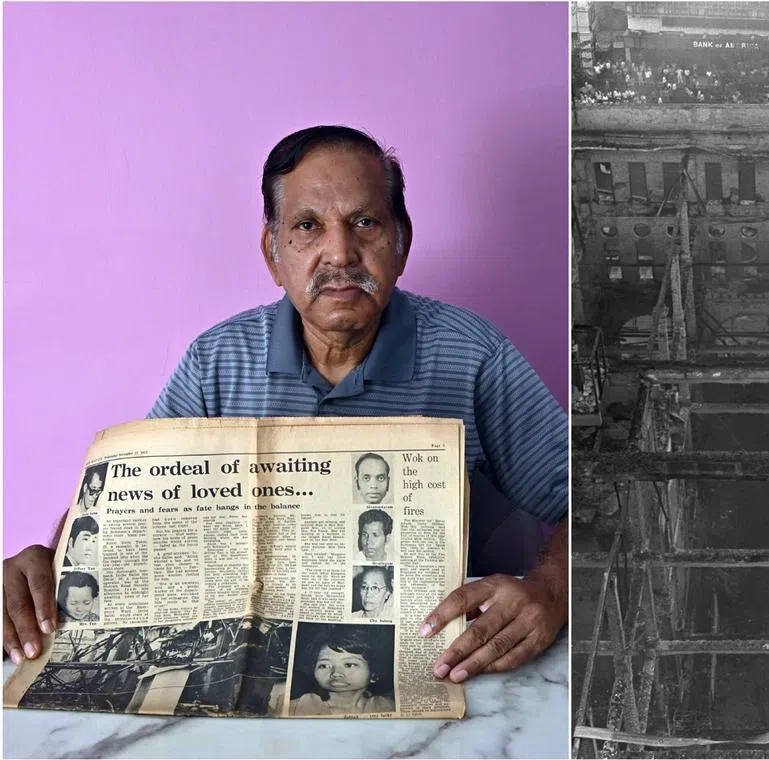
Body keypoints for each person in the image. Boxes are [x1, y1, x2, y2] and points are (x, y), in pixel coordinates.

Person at [4, 125, 568, 681]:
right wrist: (48, 562)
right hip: (246, 667)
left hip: (431, 662)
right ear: (273, 254)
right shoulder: (217, 363)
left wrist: (550, 588)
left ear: (402, 243)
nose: (339, 253)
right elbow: (122, 518)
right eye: (307, 227)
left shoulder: (471, 356)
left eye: (365, 223)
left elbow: (596, 504)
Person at [289, 627, 394, 715]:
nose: (336, 673)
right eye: (324, 665)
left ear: (374, 673)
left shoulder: (386, 707)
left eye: (349, 665)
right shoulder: (298, 707)